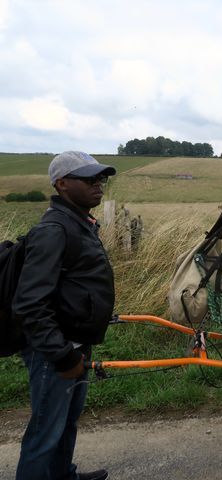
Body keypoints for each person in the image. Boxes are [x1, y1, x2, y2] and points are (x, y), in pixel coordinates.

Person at [13, 151, 116, 480]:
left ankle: (62, 475)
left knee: (66, 422)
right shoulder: (55, 230)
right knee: (45, 431)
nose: (98, 184)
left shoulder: (80, 222)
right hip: (54, 351)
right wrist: (61, 355)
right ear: (61, 184)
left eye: (100, 178)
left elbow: (74, 284)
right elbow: (30, 303)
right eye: (88, 179)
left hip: (74, 342)